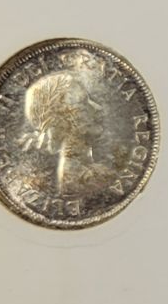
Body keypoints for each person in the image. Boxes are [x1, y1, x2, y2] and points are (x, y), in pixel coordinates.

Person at [19, 47, 112, 194]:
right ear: (58, 118)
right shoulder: (85, 180)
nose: (98, 108)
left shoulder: (91, 171)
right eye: (83, 102)